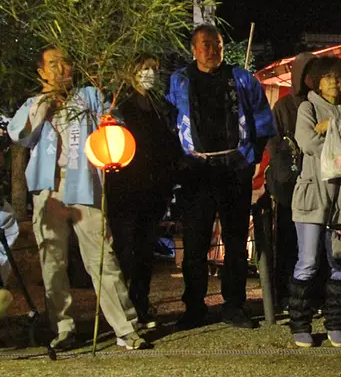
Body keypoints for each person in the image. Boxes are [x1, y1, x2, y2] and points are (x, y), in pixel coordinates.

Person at [8, 47, 148, 350]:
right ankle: (63, 329)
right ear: (42, 72)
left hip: (84, 185)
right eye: (53, 64)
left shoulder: (90, 95)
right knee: (52, 262)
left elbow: (116, 127)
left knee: (102, 257)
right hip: (48, 190)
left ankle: (126, 327)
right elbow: (19, 135)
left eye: (66, 63)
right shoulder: (34, 103)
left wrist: (109, 123)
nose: (61, 69)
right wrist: (44, 104)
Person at [167, 25, 276, 329]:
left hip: (234, 168)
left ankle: (234, 305)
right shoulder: (179, 80)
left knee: (236, 241)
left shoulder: (242, 79)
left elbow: (262, 119)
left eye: (217, 45)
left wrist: (251, 157)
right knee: (195, 242)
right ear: (193, 49)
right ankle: (194, 307)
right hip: (196, 170)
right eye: (205, 45)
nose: (212, 51)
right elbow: (170, 119)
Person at [288, 56, 341, 348]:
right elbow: (307, 142)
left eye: (338, 76)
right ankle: (300, 325)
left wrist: (333, 125)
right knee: (308, 262)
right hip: (312, 196)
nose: (334, 81)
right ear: (316, 82)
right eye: (327, 77)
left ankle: (336, 324)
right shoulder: (307, 108)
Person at [106, 54, 181, 329]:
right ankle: (122, 312)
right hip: (124, 190)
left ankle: (141, 304)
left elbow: (168, 144)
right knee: (125, 251)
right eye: (145, 68)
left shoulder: (159, 108)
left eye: (154, 69)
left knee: (145, 252)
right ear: (132, 72)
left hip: (153, 190)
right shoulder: (120, 107)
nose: (150, 73)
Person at [266, 53, 317, 310]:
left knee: (315, 242)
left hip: (317, 182)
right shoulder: (283, 106)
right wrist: (286, 176)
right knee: (288, 241)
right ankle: (285, 294)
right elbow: (274, 143)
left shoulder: (321, 103)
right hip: (291, 184)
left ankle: (315, 293)